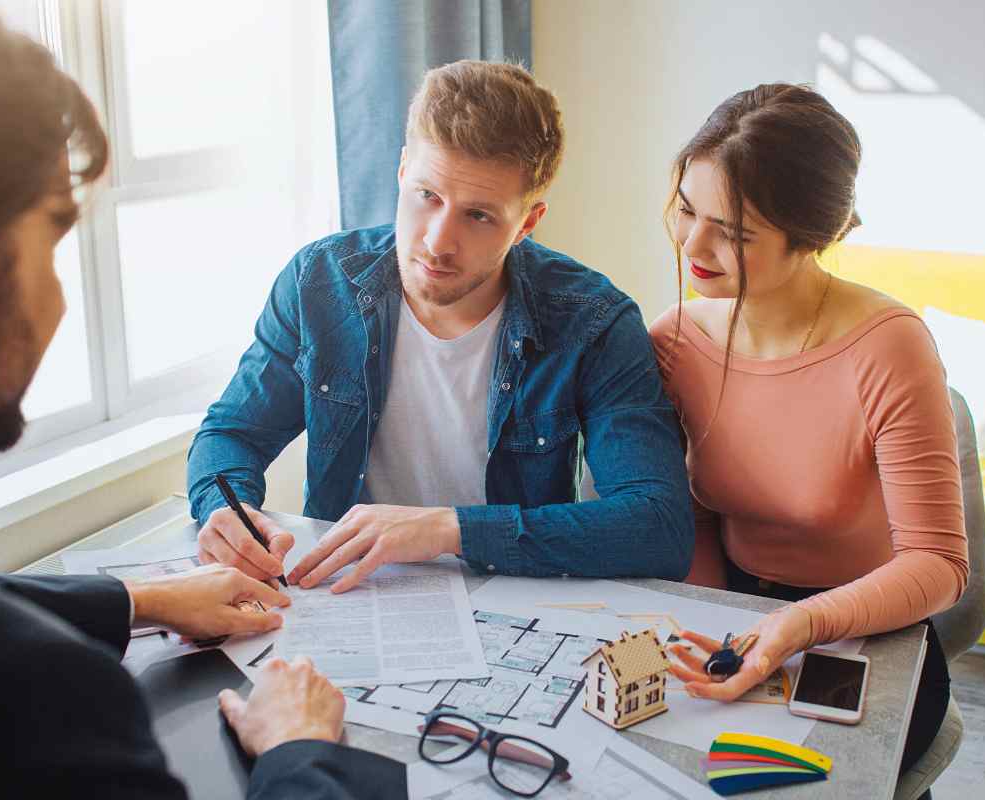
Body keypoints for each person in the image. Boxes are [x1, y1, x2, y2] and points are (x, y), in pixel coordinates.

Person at [0, 2, 404, 796]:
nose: (58, 300)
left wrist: (143, 597)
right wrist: (298, 751)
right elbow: (229, 433)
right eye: (52, 240)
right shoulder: (43, 699)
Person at [189, 60, 693, 593]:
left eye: (478, 216)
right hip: (348, 595)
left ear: (527, 222)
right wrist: (226, 509)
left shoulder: (593, 318)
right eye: (427, 196)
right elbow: (232, 433)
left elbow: (659, 527)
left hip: (515, 598)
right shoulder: (319, 282)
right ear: (403, 171)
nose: (436, 241)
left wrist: (447, 529)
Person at [649, 84, 968, 780]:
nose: (694, 245)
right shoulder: (674, 343)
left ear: (811, 237)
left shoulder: (889, 346)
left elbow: (940, 567)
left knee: (787, 787)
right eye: (686, 210)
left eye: (732, 233)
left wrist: (799, 625)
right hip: (737, 607)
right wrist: (712, 618)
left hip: (869, 629)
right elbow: (697, 513)